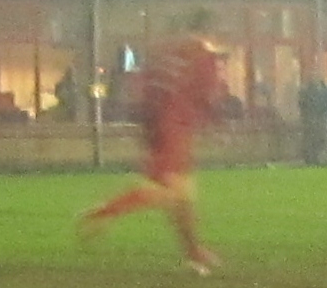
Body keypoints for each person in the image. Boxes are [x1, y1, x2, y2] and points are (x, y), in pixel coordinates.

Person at [76, 19, 227, 272]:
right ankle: (104, 212)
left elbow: (144, 89)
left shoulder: (163, 53)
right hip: (175, 126)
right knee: (170, 191)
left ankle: (194, 253)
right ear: (207, 30)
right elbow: (206, 94)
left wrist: (149, 125)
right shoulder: (203, 55)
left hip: (156, 125)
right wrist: (215, 124)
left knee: (182, 193)